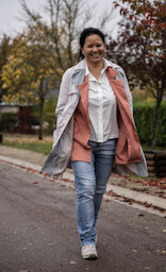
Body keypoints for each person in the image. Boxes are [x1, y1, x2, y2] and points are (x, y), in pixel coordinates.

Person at [42, 28, 148, 259]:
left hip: (109, 141)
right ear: (82, 49)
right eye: (89, 45)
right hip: (82, 141)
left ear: (104, 46)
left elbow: (126, 106)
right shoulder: (72, 75)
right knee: (86, 189)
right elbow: (62, 109)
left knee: (98, 190)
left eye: (98, 44)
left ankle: (90, 228)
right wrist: (59, 137)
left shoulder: (117, 72)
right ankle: (88, 240)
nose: (95, 49)